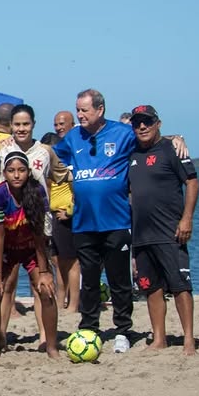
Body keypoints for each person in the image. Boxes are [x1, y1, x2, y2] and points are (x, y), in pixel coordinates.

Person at [52, 88, 136, 353]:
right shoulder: (73, 137)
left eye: (84, 110)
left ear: (100, 110)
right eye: (77, 109)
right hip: (84, 223)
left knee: (119, 280)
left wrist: (176, 138)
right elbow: (50, 155)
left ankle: (122, 330)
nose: (80, 115)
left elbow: (150, 142)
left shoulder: (122, 134)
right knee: (88, 280)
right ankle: (89, 326)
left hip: (116, 221)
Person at [0, 104, 69, 350]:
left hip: (38, 224)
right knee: (8, 284)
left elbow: (63, 174)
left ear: (34, 124)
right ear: (10, 126)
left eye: (26, 124)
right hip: (9, 224)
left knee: (41, 283)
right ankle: (0, 335)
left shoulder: (45, 151)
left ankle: (45, 337)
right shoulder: (2, 149)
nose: (21, 129)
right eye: (17, 124)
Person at [127, 105, 198, 354]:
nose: (142, 127)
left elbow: (192, 182)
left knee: (180, 285)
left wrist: (187, 219)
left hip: (170, 232)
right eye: (137, 123)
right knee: (151, 287)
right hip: (141, 235)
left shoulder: (171, 149)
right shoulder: (131, 153)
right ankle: (159, 338)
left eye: (147, 122)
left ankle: (188, 339)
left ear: (158, 123)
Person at [0, 151, 59, 360]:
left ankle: (51, 346)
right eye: (11, 171)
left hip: (31, 248)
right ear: (5, 173)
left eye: (21, 170)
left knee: (46, 290)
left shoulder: (37, 191)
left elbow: (39, 233)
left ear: (28, 172)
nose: (16, 175)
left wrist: (44, 272)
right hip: (6, 248)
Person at [40, 131, 79, 313]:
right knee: (58, 261)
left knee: (71, 262)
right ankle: (61, 298)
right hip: (53, 215)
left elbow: (78, 189)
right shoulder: (50, 168)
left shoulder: (66, 166)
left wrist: (70, 212)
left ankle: (73, 303)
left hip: (65, 216)